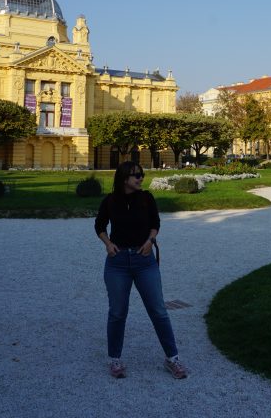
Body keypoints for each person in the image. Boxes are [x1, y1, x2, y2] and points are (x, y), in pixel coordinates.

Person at [95, 161, 187, 380]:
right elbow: (99, 226)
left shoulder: (146, 198)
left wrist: (150, 240)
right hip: (117, 263)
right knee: (117, 312)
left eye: (141, 175)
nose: (140, 178)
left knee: (158, 310)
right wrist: (108, 244)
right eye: (136, 175)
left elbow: (155, 223)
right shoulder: (110, 201)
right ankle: (115, 359)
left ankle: (172, 358)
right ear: (124, 178)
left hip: (144, 260)